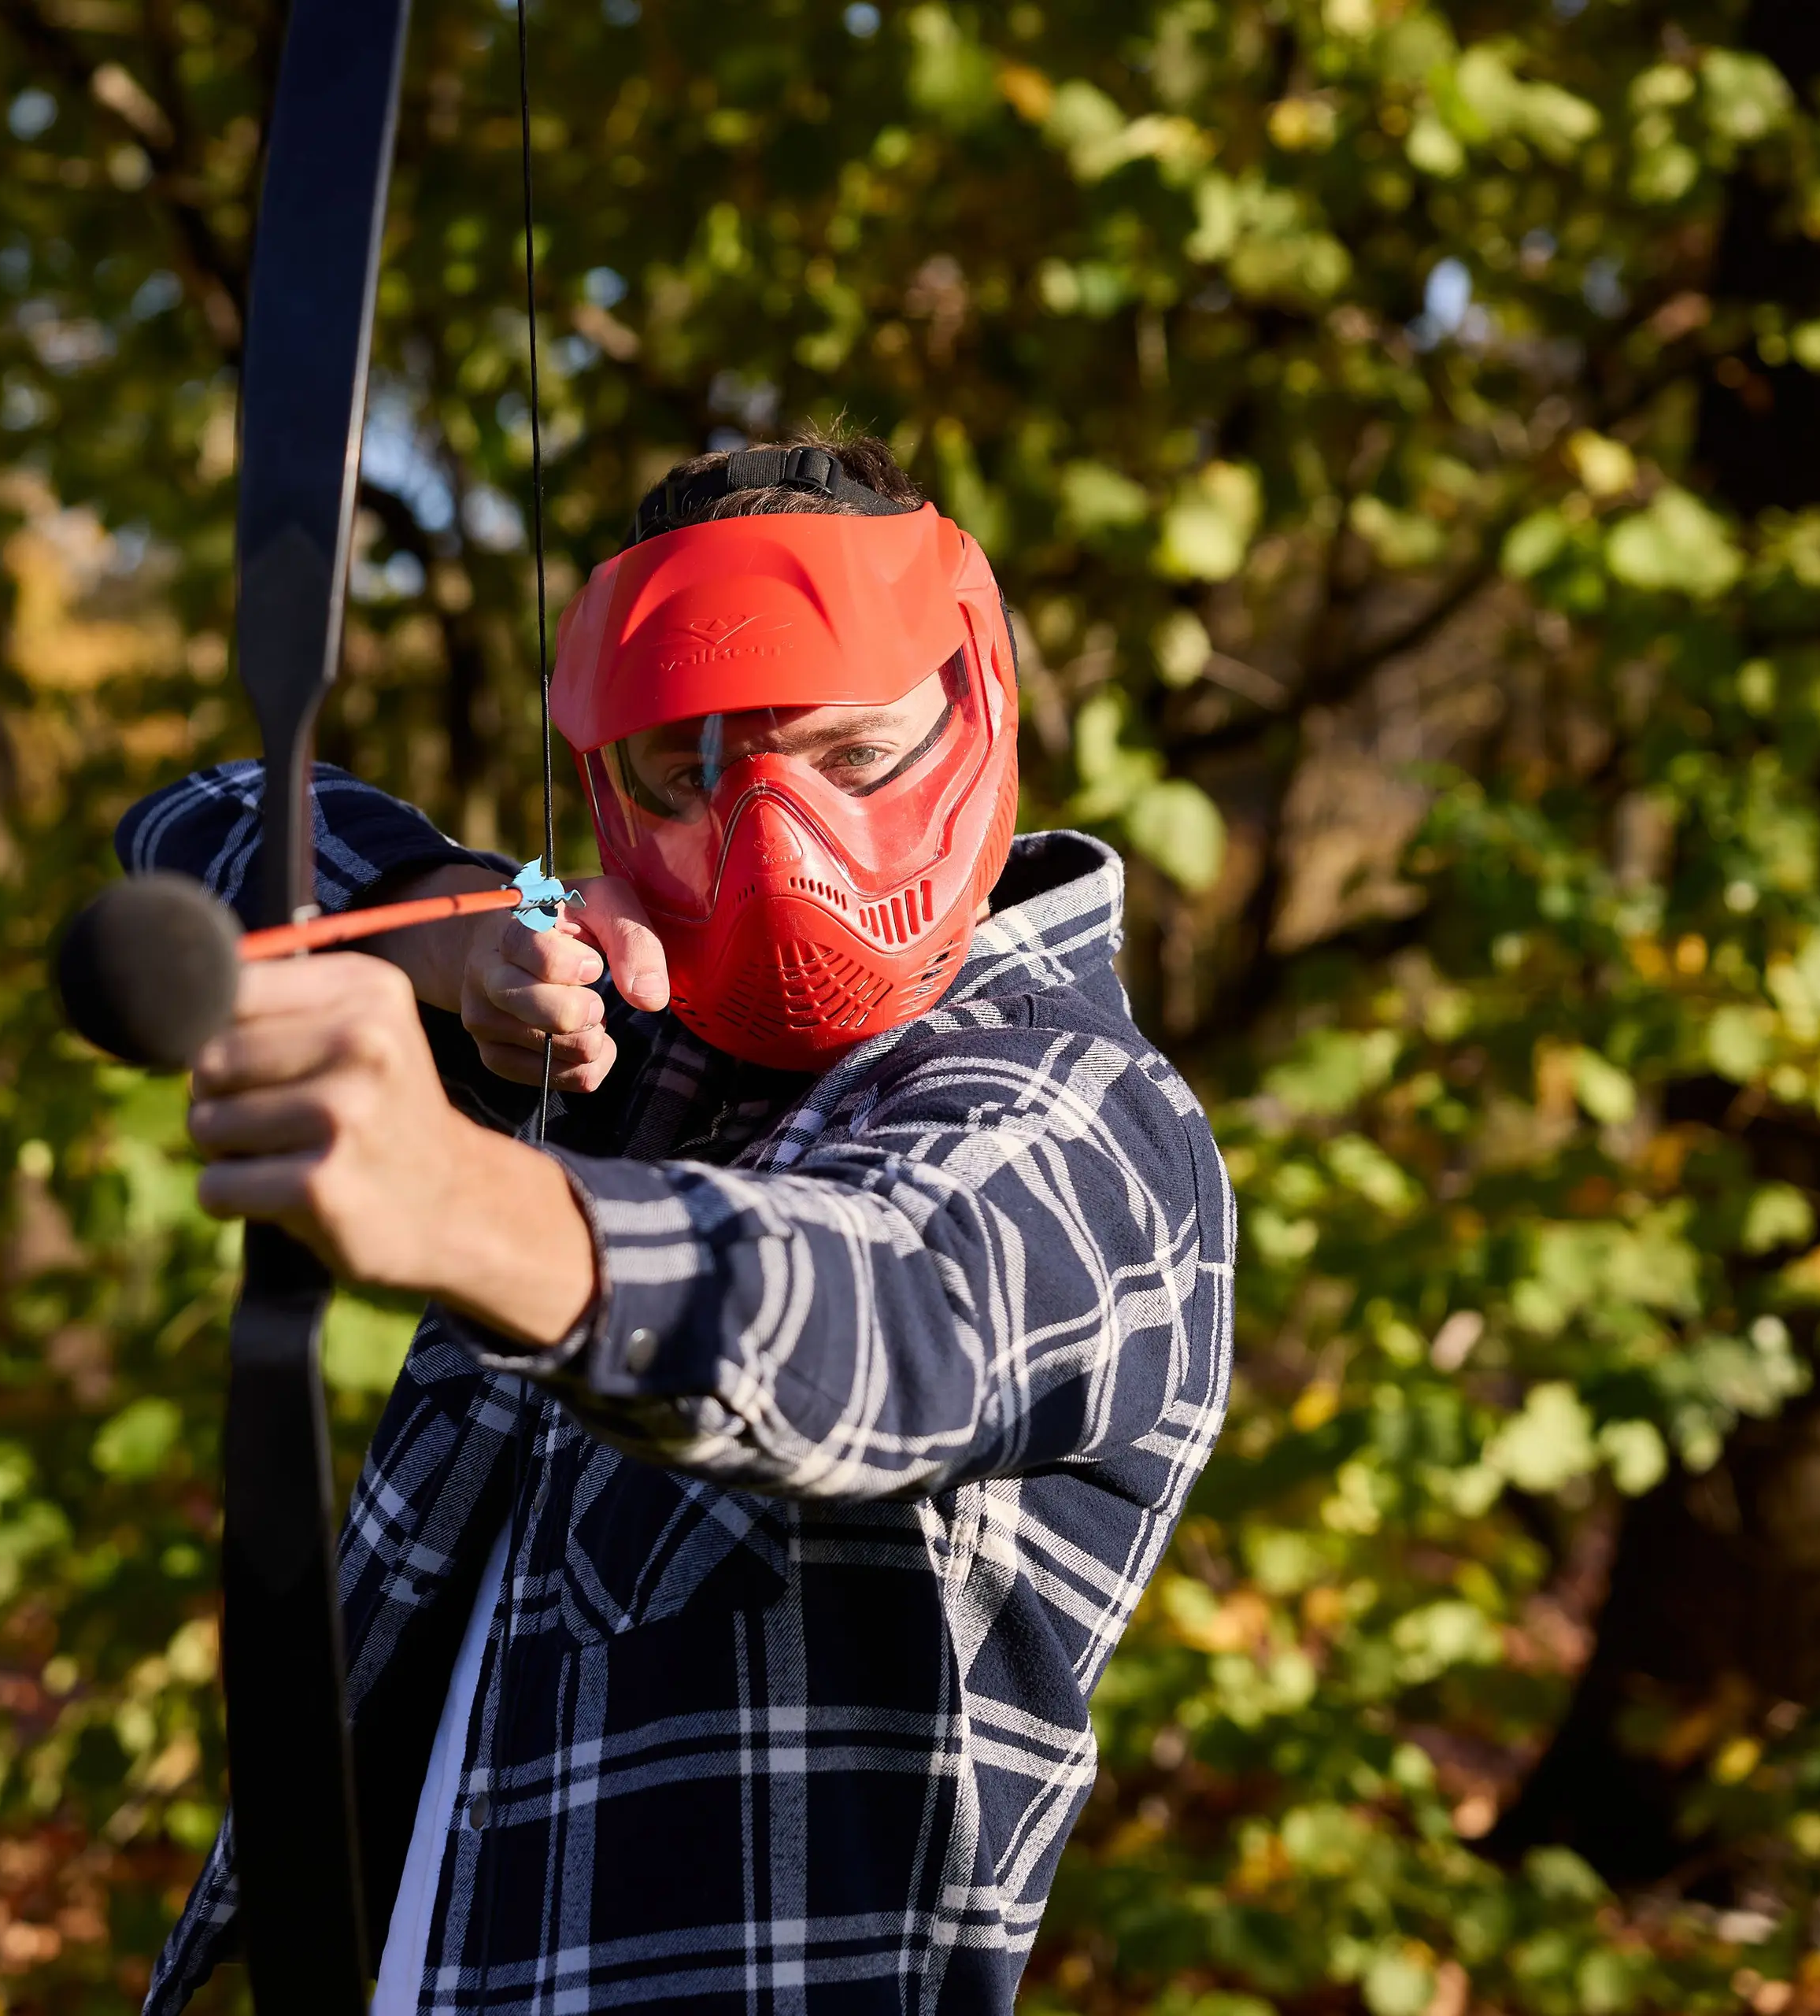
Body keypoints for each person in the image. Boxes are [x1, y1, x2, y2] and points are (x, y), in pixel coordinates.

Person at [131, 431, 1233, 2014]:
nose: (779, 838)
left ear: (972, 707)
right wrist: (461, 938)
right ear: (609, 781)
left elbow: (891, 1318)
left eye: (849, 756)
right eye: (686, 773)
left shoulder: (1087, 1117)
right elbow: (203, 813)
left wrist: (468, 1200)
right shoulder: (627, 1037)